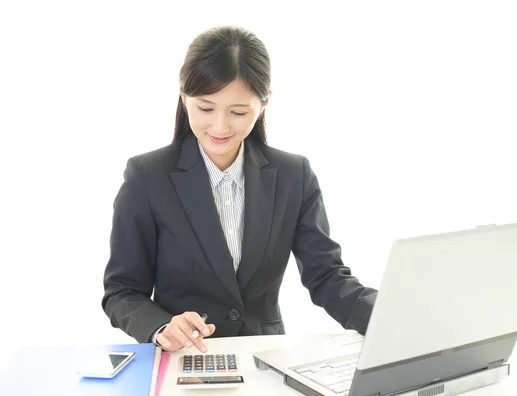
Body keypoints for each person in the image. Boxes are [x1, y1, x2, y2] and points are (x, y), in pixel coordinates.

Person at [102, 26, 377, 353]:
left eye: (238, 112)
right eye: (205, 108)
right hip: (185, 359)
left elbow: (328, 279)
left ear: (264, 103)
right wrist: (161, 326)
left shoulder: (293, 175)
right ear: (182, 94)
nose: (219, 127)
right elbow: (122, 291)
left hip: (267, 360)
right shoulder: (147, 176)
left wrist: (390, 317)